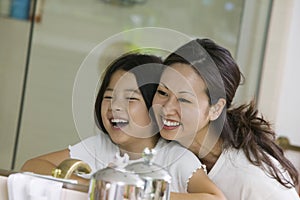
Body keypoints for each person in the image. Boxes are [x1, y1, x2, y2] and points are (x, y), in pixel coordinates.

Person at [21, 53, 226, 200]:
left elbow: (215, 198)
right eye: (109, 96)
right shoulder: (99, 147)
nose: (115, 106)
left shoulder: (174, 157)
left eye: (130, 98)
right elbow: (32, 165)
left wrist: (139, 193)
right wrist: (92, 185)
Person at [152, 38, 299, 199]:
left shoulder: (253, 178)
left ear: (216, 109)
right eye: (162, 92)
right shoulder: (165, 149)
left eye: (184, 100)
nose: (166, 108)